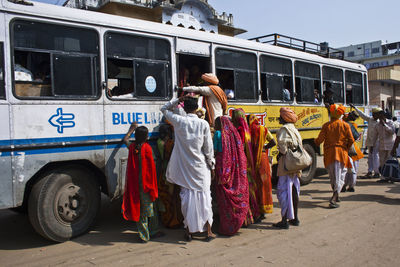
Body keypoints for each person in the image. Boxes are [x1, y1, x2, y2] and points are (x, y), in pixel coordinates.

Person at [160, 96, 216, 242]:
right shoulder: (203, 124)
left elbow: (163, 109)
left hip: (184, 169)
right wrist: (212, 164)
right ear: (197, 108)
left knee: (186, 200)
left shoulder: (179, 121)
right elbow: (208, 149)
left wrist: (177, 99)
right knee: (205, 200)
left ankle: (189, 232)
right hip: (201, 168)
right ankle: (208, 232)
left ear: (184, 108)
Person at [121, 123, 163, 243]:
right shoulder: (147, 148)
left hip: (136, 185)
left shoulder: (133, 147)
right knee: (151, 209)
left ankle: (144, 235)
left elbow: (125, 140)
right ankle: (152, 232)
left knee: (140, 211)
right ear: (146, 137)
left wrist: (131, 130)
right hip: (147, 186)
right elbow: (151, 169)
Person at [213, 116, 249, 235]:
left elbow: (215, 150)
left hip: (222, 168)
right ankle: (237, 221)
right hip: (235, 170)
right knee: (235, 191)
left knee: (223, 199)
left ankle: (226, 226)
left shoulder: (218, 134)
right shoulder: (234, 135)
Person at [315, 104, 355, 208]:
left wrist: (314, 142)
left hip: (329, 154)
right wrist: (345, 147)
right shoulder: (345, 125)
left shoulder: (326, 125)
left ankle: (336, 195)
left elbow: (319, 141)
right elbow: (351, 140)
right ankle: (334, 197)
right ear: (341, 114)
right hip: (341, 153)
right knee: (340, 175)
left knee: (333, 176)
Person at [273, 107, 302, 229]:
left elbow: (283, 148)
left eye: (280, 116)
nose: (279, 118)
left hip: (286, 164)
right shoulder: (295, 130)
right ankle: (295, 218)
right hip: (296, 163)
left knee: (283, 191)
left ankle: (284, 220)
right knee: (294, 189)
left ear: (284, 118)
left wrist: (281, 154)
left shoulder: (283, 130)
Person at [231, 109, 259, 226]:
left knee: (242, 189)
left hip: (240, 164)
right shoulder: (246, 129)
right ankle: (254, 213)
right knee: (249, 188)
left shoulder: (238, 130)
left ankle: (245, 216)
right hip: (247, 162)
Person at [249, 114, 276, 219]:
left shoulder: (249, 131)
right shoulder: (263, 129)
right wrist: (263, 147)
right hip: (263, 157)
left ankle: (256, 210)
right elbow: (273, 142)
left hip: (254, 158)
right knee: (264, 184)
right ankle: (264, 210)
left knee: (255, 184)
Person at [156, 124, 183, 228]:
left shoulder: (159, 142)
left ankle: (167, 219)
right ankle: (174, 221)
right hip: (171, 170)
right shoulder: (170, 144)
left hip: (164, 169)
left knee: (166, 196)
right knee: (172, 197)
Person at [350, 104, 381, 178]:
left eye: (375, 114)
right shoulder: (370, 119)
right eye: (373, 114)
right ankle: (370, 171)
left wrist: (373, 144)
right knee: (370, 157)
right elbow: (362, 114)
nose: (374, 115)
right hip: (370, 142)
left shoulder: (380, 122)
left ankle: (377, 172)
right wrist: (355, 108)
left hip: (376, 142)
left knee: (376, 156)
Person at [342, 112, 364, 193]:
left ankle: (345, 185)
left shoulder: (348, 124)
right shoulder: (352, 124)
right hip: (354, 150)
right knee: (353, 170)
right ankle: (351, 186)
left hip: (350, 150)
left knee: (347, 170)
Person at [372, 110, 396, 182]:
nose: (380, 118)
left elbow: (392, 132)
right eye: (379, 116)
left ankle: (392, 176)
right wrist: (372, 146)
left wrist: (384, 125)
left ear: (384, 116)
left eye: (381, 116)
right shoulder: (377, 125)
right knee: (382, 161)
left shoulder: (390, 123)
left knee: (390, 161)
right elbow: (375, 136)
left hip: (390, 145)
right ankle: (383, 177)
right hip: (382, 145)